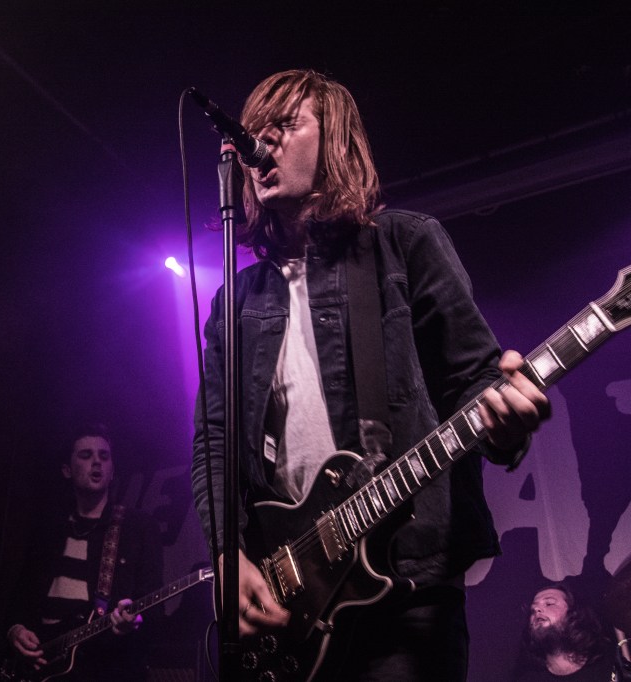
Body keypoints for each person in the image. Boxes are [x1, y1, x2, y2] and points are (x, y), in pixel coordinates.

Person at [191, 69, 552, 681]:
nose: (262, 143)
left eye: (284, 125)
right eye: (255, 131)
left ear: (334, 139)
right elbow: (213, 442)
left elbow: (474, 381)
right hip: (290, 596)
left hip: (406, 586)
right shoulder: (238, 299)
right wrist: (228, 556)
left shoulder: (405, 245)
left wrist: (505, 422)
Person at [3, 423, 163, 682]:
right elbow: (19, 595)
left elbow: (154, 608)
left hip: (103, 670)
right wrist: (15, 630)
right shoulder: (48, 528)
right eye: (86, 455)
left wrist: (133, 622)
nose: (97, 462)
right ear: (67, 470)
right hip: (40, 669)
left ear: (112, 471)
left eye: (104, 456)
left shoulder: (138, 528)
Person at [514, 583, 628, 681]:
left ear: (574, 615)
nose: (536, 610)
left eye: (549, 603)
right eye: (532, 610)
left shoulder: (611, 662)